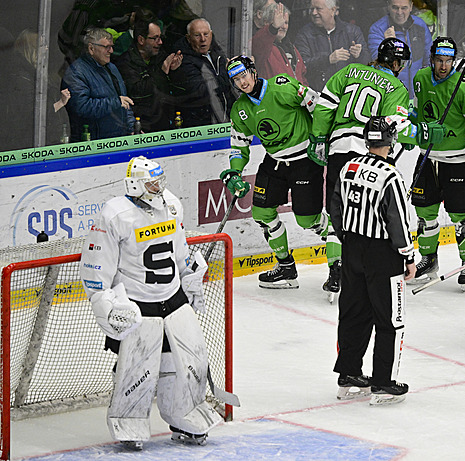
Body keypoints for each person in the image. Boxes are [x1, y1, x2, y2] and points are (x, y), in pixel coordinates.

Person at [79, 156, 222, 450]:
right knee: (138, 370)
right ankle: (129, 420)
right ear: (135, 185)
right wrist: (103, 302)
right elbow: (96, 266)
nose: (159, 187)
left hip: (173, 298)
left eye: (159, 181)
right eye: (151, 183)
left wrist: (189, 273)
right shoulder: (115, 214)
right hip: (137, 305)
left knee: (191, 360)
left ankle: (185, 414)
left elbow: (178, 247)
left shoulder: (170, 204)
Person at [309, 37, 444, 295]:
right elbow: (396, 125)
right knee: (369, 216)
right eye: (401, 63)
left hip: (338, 151)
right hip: (368, 155)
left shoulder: (349, 71)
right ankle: (369, 269)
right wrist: (423, 133)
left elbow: (325, 105)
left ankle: (336, 269)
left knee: (337, 211)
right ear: (394, 63)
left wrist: (318, 137)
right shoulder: (395, 87)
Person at [220, 56, 337, 291]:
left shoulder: (282, 86)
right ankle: (286, 267)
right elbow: (238, 147)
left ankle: (339, 262)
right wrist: (234, 172)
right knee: (262, 212)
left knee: (308, 219)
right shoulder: (240, 110)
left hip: (305, 159)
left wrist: (320, 138)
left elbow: (321, 107)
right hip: (274, 161)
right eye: (236, 79)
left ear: (253, 72)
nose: (241, 82)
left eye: (243, 75)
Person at [330, 116, 416, 405]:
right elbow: (398, 222)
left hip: (351, 248)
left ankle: (349, 373)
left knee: (354, 312)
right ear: (389, 143)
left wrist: (348, 240)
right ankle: (383, 382)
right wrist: (409, 257)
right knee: (390, 319)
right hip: (382, 255)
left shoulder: (347, 167)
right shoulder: (391, 176)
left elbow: (336, 207)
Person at [408, 37, 465, 291]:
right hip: (428, 156)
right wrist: (410, 127)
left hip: (458, 161)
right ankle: (429, 260)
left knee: (461, 218)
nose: (443, 66)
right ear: (432, 59)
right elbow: (418, 109)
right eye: (439, 60)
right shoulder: (420, 78)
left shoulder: (464, 87)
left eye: (448, 61)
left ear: (454, 61)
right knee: (425, 215)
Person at [62, 28, 135, 142]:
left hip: (118, 139)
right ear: (91, 48)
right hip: (92, 143)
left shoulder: (112, 68)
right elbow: (81, 107)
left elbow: (125, 102)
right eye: (106, 47)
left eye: (112, 46)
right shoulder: (76, 72)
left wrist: (132, 127)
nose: (111, 51)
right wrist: (115, 102)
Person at [116, 19, 186, 132]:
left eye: (160, 38)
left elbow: (178, 90)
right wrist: (162, 72)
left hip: (167, 123)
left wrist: (174, 71)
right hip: (142, 128)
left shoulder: (161, 56)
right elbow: (137, 91)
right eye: (155, 38)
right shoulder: (125, 63)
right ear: (141, 39)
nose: (160, 42)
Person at [294, 0, 370, 92]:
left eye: (318, 9)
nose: (314, 13)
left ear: (333, 10)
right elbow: (302, 66)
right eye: (312, 9)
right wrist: (328, 59)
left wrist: (359, 55)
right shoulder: (304, 34)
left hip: (349, 93)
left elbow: (368, 65)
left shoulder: (352, 31)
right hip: (319, 95)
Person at [174, 18, 236, 127]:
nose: (203, 39)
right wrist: (229, 75)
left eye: (206, 34)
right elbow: (204, 90)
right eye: (197, 35)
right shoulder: (183, 61)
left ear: (211, 35)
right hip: (202, 126)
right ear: (188, 38)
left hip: (226, 121)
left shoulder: (218, 53)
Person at [367, 0, 432, 98]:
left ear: (411, 7)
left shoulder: (420, 25)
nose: (399, 12)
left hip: (418, 93)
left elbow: (429, 57)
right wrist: (389, 43)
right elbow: (378, 64)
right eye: (395, 7)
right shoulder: (378, 29)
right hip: (392, 93)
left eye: (404, 8)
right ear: (388, 6)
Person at [252, 2, 308, 84]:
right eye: (279, 22)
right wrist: (273, 28)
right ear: (266, 22)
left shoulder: (292, 48)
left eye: (286, 23)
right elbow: (259, 44)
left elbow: (303, 77)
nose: (283, 26)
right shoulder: (261, 45)